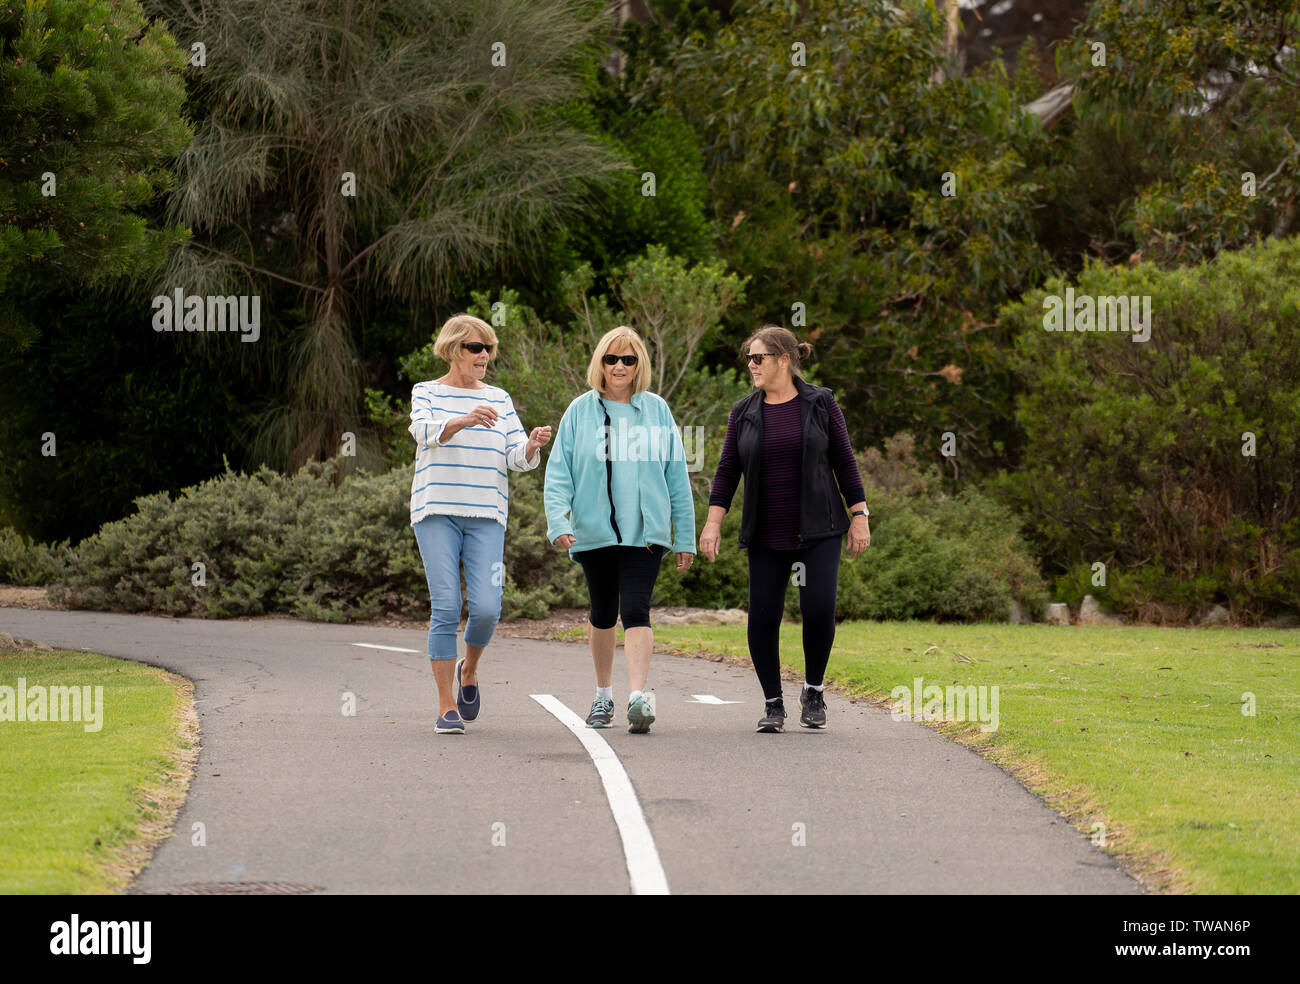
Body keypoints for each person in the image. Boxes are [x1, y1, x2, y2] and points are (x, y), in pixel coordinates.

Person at [699, 325, 870, 733]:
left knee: (818, 609)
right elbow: (727, 471)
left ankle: (813, 691)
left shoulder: (821, 403)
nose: (752, 365)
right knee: (762, 616)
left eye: (758, 358)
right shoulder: (743, 411)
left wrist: (860, 514)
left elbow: (844, 461)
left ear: (784, 359)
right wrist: (712, 523)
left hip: (820, 528)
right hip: (766, 531)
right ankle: (772, 703)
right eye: (749, 359)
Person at [544, 326, 696, 734]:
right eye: (612, 359)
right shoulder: (579, 411)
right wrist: (558, 522)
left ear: (639, 365)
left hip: (644, 535)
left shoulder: (657, 410)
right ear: (600, 363)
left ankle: (637, 699)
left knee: (635, 610)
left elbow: (676, 475)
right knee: (602, 612)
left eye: (628, 360)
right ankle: (603, 695)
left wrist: (685, 536)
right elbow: (559, 473)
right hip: (593, 534)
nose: (620, 366)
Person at [408, 314, 551, 735]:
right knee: (447, 607)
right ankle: (446, 706)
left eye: (488, 347)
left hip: (488, 515)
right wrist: (463, 420)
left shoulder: (501, 399)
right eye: (475, 347)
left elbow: (516, 460)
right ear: (454, 349)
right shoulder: (427, 391)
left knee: (488, 609)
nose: (484, 355)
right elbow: (422, 431)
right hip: (436, 511)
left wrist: (530, 445)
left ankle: (468, 669)